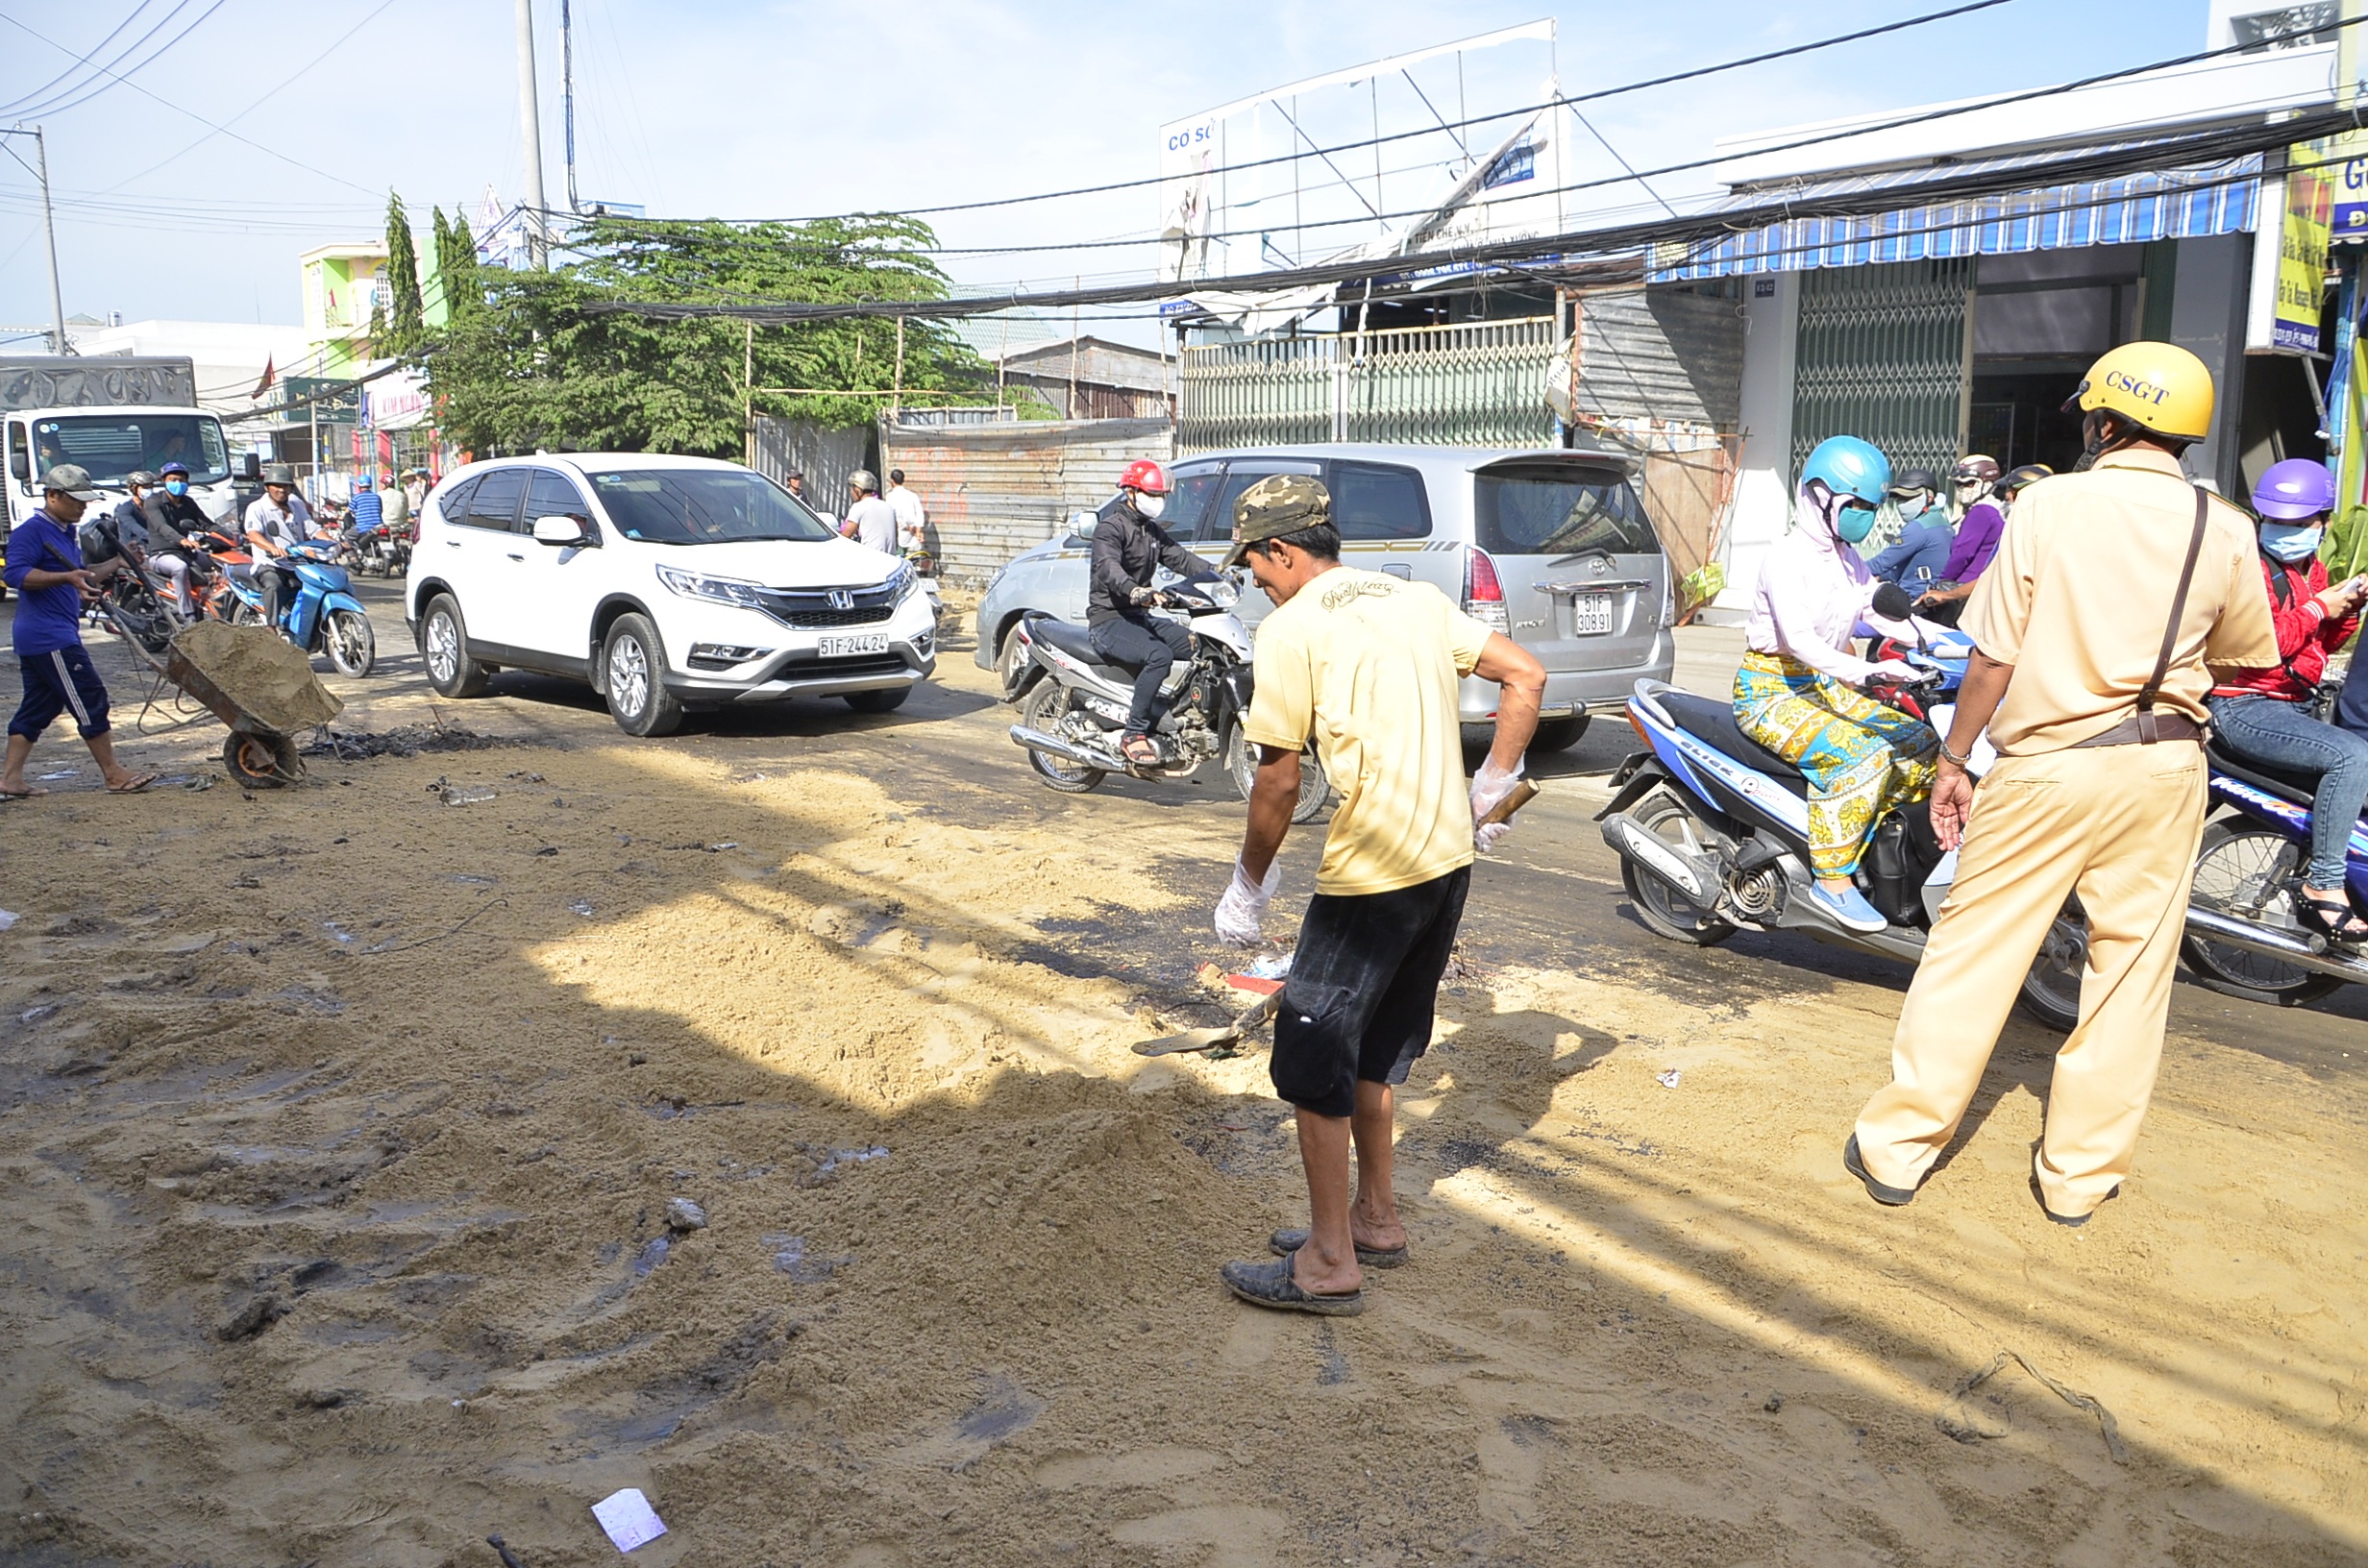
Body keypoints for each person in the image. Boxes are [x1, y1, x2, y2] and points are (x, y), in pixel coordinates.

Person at [1847, 341, 2279, 1227]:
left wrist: (1955, 757)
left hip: (2048, 765)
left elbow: (1993, 656)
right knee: (2130, 975)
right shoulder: (2226, 525)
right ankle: (2077, 1178)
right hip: (2166, 768)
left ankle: (1898, 1151)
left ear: (2107, 422)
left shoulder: (2049, 504)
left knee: (1974, 957)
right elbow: (2242, 657)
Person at [1209, 475, 1546, 1315]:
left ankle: (1327, 1263)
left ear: (1283, 550)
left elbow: (1278, 783)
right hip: (1445, 865)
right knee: (1375, 1048)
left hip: (1372, 873)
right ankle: (1376, 1218)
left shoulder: (1290, 630)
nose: (1253, 576)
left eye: (1254, 559)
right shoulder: (1415, 599)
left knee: (1313, 1056)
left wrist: (1248, 884)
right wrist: (1492, 781)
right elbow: (1526, 675)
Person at [1735, 435, 1939, 934]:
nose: (1866, 517)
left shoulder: (1848, 560)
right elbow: (1800, 643)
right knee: (1862, 754)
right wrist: (1869, 672)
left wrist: (1957, 643)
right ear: (1821, 495)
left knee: (1923, 741)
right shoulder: (1785, 558)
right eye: (1858, 506)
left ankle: (1871, 843)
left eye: (1873, 507)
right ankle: (1832, 879)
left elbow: (1879, 609)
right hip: (1771, 691)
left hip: (1821, 688)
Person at [2208, 458, 2368, 940]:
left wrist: (2345, 610)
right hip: (2245, 707)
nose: (2286, 531)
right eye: (2277, 521)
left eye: (2299, 524)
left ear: (2322, 524)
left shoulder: (2312, 570)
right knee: (2352, 756)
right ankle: (2323, 883)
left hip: (2291, 705)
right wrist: (2321, 607)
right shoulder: (2253, 569)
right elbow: (2263, 645)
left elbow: (2317, 648)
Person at [1, 466, 158, 797]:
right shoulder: (32, 531)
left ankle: (9, 778)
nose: (82, 507)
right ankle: (113, 774)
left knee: (39, 708)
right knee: (89, 697)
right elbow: (15, 575)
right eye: (75, 501)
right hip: (48, 637)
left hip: (51, 635)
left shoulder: (64, 531)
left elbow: (81, 575)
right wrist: (66, 579)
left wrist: (117, 563)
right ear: (52, 496)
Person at [1087, 458, 1218, 768]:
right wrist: (1135, 590)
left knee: (1202, 644)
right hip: (1109, 620)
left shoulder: (1152, 532)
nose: (1158, 502)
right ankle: (1133, 733)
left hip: (1138, 618)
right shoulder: (1110, 529)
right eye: (1152, 494)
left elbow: (1183, 560)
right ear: (1131, 492)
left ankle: (1174, 713)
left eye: (1161, 496)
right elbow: (1108, 569)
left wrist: (1221, 572)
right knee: (1159, 655)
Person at [1917, 459, 2024, 626]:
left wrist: (1942, 584)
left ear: (1987, 484)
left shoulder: (1981, 511)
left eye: (1969, 483)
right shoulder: (1997, 510)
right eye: (1959, 484)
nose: (1962, 489)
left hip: (1965, 592)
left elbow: (1962, 553)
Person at [242, 463, 316, 629]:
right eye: (277, 486)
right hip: (269, 563)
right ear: (268, 487)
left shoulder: (297, 504)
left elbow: (312, 528)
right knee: (274, 584)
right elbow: (253, 534)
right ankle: (272, 627)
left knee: (318, 583)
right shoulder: (257, 508)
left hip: (296, 562)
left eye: (286, 486)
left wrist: (334, 544)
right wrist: (271, 548)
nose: (281, 490)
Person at [1865, 466, 1953, 597]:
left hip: (1914, 600)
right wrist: (1882, 577)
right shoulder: (1943, 523)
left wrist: (1848, 569)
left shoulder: (1918, 528)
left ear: (1929, 497)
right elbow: (1908, 564)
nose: (1902, 504)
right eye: (1899, 498)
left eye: (1908, 498)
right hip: (1931, 596)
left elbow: (1882, 563)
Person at [140, 460, 210, 616]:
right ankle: (188, 614)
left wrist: (228, 536)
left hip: (187, 552)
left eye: (182, 480)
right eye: (173, 480)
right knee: (180, 568)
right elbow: (162, 527)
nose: (178, 483)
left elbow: (206, 523)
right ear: (164, 481)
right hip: (161, 555)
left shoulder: (188, 502)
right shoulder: (153, 502)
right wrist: (182, 540)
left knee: (218, 562)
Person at [844, 470, 897, 552]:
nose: (851, 492)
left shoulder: (858, 506)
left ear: (858, 489)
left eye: (851, 489)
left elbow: (846, 535)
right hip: (891, 558)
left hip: (871, 559)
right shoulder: (887, 506)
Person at [885, 468, 927, 558]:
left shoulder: (890, 497)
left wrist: (907, 527)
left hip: (899, 536)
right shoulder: (912, 496)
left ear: (892, 481)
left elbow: (894, 517)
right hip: (913, 537)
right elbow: (920, 514)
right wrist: (918, 530)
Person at [345, 473, 384, 543]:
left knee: (347, 534)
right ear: (371, 485)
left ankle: (354, 552)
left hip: (363, 528)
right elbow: (380, 510)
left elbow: (347, 511)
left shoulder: (356, 498)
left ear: (359, 486)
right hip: (379, 527)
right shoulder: (377, 497)